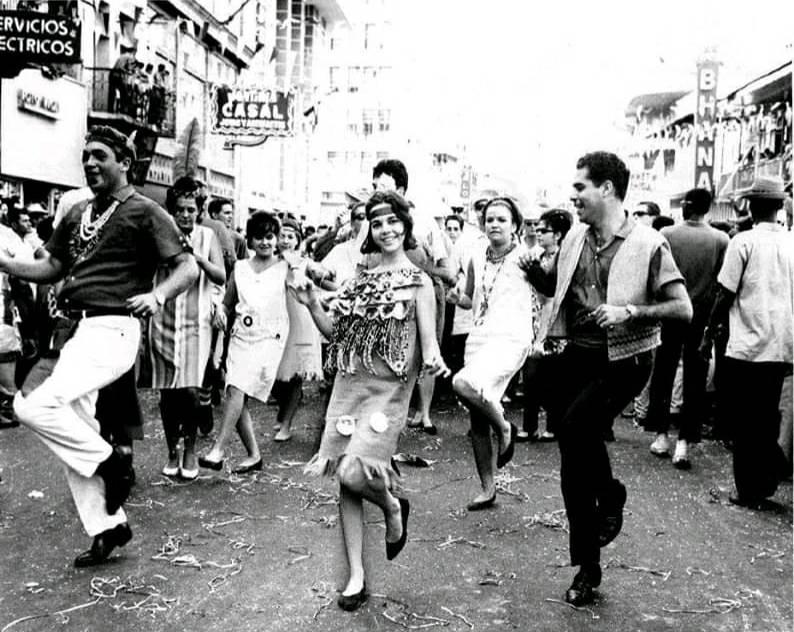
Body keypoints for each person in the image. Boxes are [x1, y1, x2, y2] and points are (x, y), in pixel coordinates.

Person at [0, 125, 197, 567]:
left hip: (115, 328)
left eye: (100, 156)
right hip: (77, 331)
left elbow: (187, 268)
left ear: (124, 163)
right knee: (74, 429)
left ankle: (112, 463)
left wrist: (158, 295)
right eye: (86, 155)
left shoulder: (146, 211)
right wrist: (3, 261)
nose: (90, 163)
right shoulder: (77, 212)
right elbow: (50, 266)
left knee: (33, 408)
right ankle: (109, 527)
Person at [522, 151, 691, 607]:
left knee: (576, 428)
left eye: (580, 188)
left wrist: (630, 311)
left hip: (627, 359)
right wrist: (533, 274)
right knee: (572, 460)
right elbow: (560, 291)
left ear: (608, 189)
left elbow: (683, 308)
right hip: (579, 353)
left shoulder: (649, 243)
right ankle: (588, 569)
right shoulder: (575, 238)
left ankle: (611, 493)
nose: (572, 196)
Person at [296, 190, 448, 611]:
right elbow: (334, 334)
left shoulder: (420, 282)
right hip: (350, 387)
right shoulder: (359, 281)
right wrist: (311, 303)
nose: (386, 230)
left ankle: (392, 506)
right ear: (369, 230)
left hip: (389, 391)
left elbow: (430, 343)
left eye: (392, 221)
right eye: (377, 223)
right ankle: (356, 575)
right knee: (345, 480)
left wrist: (434, 360)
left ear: (406, 225)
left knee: (352, 470)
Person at [701, 176, 793, 510]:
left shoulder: (743, 242)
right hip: (781, 344)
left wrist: (708, 335)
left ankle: (745, 489)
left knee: (744, 419)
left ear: (751, 206)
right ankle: (765, 483)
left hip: (746, 345)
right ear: (779, 206)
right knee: (767, 415)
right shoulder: (791, 242)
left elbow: (723, 293)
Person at [448, 197, 533, 510]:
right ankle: (487, 487)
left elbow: (548, 290)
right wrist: (457, 296)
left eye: (501, 219)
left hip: (511, 338)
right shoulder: (475, 255)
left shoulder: (526, 257)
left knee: (462, 384)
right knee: (476, 414)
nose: (494, 225)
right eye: (489, 219)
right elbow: (469, 299)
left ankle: (505, 426)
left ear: (514, 225)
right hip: (480, 337)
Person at [199, 212, 298, 473]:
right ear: (250, 240)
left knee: (236, 389)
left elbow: (312, 282)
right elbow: (229, 302)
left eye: (270, 236)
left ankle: (218, 449)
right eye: (259, 237)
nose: (265, 242)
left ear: (276, 239)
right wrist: (220, 311)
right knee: (234, 389)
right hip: (241, 337)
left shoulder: (286, 266)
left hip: (269, 339)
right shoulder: (240, 268)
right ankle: (254, 455)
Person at [146, 177, 225, 480]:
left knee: (191, 390)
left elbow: (220, 276)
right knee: (168, 392)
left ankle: (190, 449)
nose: (185, 215)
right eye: (179, 209)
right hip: (163, 320)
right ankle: (170, 451)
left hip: (197, 322)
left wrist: (197, 258)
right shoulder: (159, 234)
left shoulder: (208, 236)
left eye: (191, 209)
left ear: (199, 210)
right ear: (171, 210)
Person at [370, 159, 454, 434]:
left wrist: (417, 272)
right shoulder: (371, 222)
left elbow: (447, 270)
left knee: (427, 349)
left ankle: (425, 413)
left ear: (402, 190)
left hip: (424, 293)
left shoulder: (425, 221)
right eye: (374, 186)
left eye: (383, 187)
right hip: (387, 295)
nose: (376, 192)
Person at [646, 188, 728, 468]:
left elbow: (657, 275)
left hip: (672, 312)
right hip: (702, 317)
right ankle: (684, 442)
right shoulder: (721, 239)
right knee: (695, 378)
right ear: (708, 208)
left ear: (686, 206)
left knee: (664, 372)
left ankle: (660, 435)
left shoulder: (667, 234)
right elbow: (722, 283)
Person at [519, 208, 573, 443]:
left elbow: (550, 293)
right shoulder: (537, 256)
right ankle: (529, 426)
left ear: (559, 234)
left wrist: (530, 268)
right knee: (531, 377)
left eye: (544, 230)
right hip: (534, 321)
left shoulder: (565, 258)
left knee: (554, 381)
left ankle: (552, 427)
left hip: (557, 326)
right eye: (537, 229)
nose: (538, 234)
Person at [272, 217, 322, 442]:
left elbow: (322, 274)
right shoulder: (269, 261)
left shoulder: (304, 263)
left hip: (299, 323)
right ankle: (284, 412)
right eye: (282, 236)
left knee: (293, 376)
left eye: (290, 237)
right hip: (273, 323)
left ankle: (286, 424)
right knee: (274, 375)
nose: (285, 240)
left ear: (298, 240)